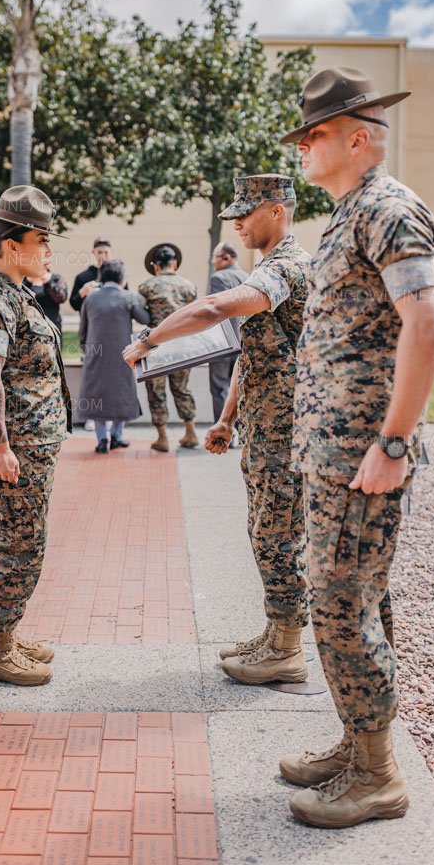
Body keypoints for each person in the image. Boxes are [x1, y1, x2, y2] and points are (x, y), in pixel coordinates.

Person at [276, 67, 434, 828]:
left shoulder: (388, 209)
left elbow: (428, 326)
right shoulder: (347, 214)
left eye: (312, 135)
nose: (303, 148)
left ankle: (377, 776)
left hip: (362, 454)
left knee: (342, 603)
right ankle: (357, 743)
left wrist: (395, 441)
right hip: (333, 448)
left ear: (355, 139)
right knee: (349, 599)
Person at [124, 180, 311, 684]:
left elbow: (212, 311)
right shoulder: (265, 270)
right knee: (264, 531)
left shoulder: (288, 268)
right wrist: (227, 419)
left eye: (245, 215)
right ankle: (276, 632)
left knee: (278, 534)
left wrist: (151, 338)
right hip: (263, 424)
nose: (236, 225)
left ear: (277, 211)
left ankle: (288, 650)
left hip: (285, 430)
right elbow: (251, 356)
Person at [0, 185, 72, 687]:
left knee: (26, 540)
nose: (48, 250)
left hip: (31, 444)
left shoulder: (18, 295)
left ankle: (7, 632)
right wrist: (1, 446)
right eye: (41, 240)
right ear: (12, 246)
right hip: (17, 449)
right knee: (19, 544)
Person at [78, 259, 150, 452]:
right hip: (122, 355)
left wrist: (84, 350)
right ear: (122, 277)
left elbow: (83, 331)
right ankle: (117, 436)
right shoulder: (127, 297)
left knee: (97, 394)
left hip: (95, 355)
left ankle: (102, 440)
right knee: (122, 395)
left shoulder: (90, 299)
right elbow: (145, 319)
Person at [137, 244, 198, 452]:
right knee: (182, 389)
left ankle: (162, 438)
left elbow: (141, 315)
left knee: (156, 391)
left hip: (156, 348)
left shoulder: (147, 287)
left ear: (156, 267)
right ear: (175, 264)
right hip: (182, 346)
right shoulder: (188, 286)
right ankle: (190, 432)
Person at [207, 242, 248, 427]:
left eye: (215, 257)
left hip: (222, 344)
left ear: (226, 258)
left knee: (219, 389)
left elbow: (214, 312)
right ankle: (241, 431)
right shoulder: (249, 277)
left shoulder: (218, 278)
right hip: (244, 343)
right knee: (240, 389)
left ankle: (224, 430)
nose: (212, 262)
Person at [69, 237, 112, 312]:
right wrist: (82, 292)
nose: (103, 256)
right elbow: (74, 305)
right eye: (99, 252)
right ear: (93, 252)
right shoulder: (82, 277)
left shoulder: (118, 276)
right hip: (89, 322)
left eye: (106, 252)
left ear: (111, 252)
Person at [27, 271, 68, 341]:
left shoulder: (56, 278)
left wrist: (49, 282)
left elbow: (62, 298)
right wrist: (29, 281)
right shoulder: (25, 280)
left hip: (52, 323)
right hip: (30, 326)